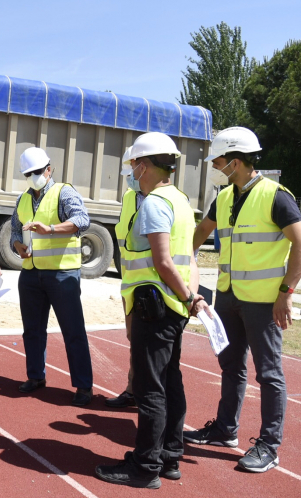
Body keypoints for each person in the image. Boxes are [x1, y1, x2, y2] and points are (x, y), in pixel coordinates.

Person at [183, 127, 301, 472]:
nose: (215, 166)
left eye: (219, 161)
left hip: (263, 302)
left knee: (268, 373)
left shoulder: (276, 196)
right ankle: (226, 430)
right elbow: (200, 232)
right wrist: (186, 260)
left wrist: (286, 293)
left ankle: (269, 446)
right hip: (228, 296)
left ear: (235, 161)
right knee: (230, 366)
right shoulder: (224, 197)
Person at [95, 132, 206, 489]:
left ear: (143, 165)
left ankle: (145, 468)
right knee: (171, 383)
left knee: (150, 390)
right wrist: (191, 297)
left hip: (156, 307)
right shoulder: (181, 201)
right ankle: (170, 457)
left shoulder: (155, 203)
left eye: (133, 164)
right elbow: (189, 256)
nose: (131, 170)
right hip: (173, 307)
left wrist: (190, 296)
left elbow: (163, 261)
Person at [10, 147, 94, 406]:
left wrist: (52, 229)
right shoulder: (23, 199)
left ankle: (83, 386)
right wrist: (17, 246)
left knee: (73, 331)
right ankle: (36, 376)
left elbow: (83, 219)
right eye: (28, 173)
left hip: (62, 274)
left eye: (37, 171)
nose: (33, 176)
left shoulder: (63, 192)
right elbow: (14, 229)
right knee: (32, 331)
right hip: (31, 275)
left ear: (49, 169)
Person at [105, 146, 173, 409]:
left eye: (132, 166)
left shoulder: (163, 200)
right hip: (133, 286)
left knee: (156, 349)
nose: (129, 173)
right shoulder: (130, 198)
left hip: (158, 287)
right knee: (134, 340)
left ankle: (150, 396)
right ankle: (134, 389)